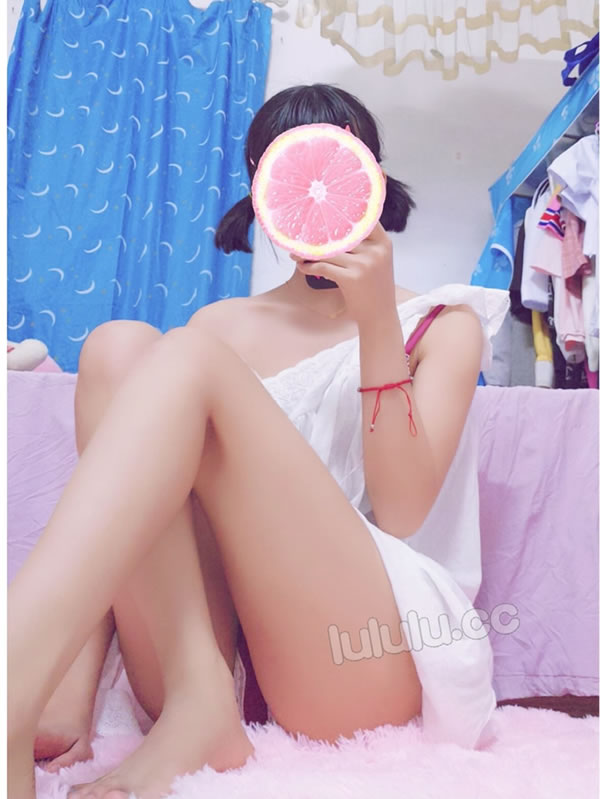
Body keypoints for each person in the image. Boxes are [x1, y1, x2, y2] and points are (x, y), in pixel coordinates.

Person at [8, 83, 505, 799]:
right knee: (118, 347)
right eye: (289, 172)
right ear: (261, 193)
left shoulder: (443, 324)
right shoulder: (219, 330)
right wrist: (74, 693)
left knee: (183, 355)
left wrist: (376, 323)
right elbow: (127, 512)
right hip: (221, 654)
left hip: (366, 653)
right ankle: (172, 701)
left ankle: (6, 692)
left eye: (333, 166)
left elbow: (402, 511)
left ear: (369, 178)